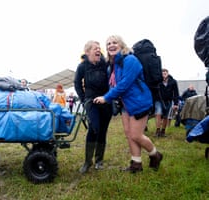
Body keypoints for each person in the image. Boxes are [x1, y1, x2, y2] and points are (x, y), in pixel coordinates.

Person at [94, 35, 162, 173]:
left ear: (121, 45)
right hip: (126, 104)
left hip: (139, 102)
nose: (111, 45)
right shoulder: (114, 65)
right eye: (108, 44)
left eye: (114, 42)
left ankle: (155, 154)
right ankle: (136, 164)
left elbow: (124, 84)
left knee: (136, 135)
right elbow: (113, 85)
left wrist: (106, 98)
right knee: (129, 134)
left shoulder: (130, 60)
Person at [74, 40, 112, 173]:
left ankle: (99, 160)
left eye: (99, 48)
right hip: (91, 101)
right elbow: (77, 83)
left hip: (106, 101)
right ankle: (87, 161)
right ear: (87, 51)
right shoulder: (82, 66)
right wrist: (84, 99)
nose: (98, 50)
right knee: (94, 128)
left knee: (103, 131)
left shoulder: (104, 63)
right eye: (95, 48)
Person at [154, 69, 179, 137]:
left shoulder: (173, 82)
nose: (164, 73)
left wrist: (176, 104)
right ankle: (158, 130)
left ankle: (163, 131)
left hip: (168, 101)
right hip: (159, 100)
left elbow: (176, 93)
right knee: (158, 113)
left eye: (165, 72)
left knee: (166, 116)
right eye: (163, 72)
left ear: (168, 73)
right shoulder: (158, 81)